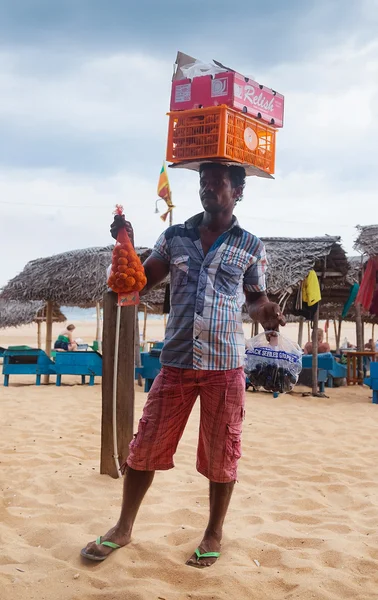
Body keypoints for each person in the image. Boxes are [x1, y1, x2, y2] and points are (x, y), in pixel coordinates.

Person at [81, 162, 285, 568]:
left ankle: (213, 533)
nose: (209, 189)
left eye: (218, 184)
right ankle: (123, 527)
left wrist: (266, 311)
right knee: (145, 446)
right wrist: (126, 244)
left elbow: (255, 297)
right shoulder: (174, 237)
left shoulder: (250, 245)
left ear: (238, 191)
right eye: (204, 183)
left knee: (221, 450)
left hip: (225, 364)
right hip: (176, 360)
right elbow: (142, 279)